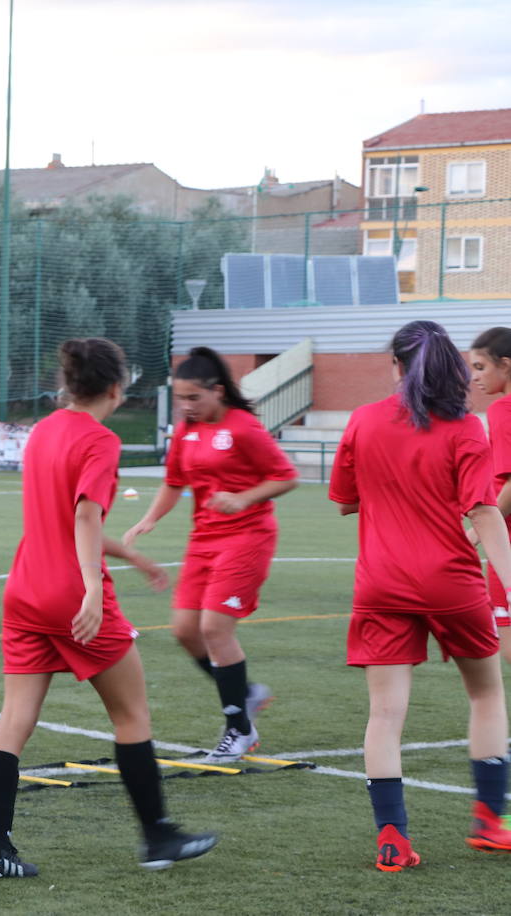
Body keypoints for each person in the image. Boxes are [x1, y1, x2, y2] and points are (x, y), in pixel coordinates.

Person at [0, 337, 218, 879]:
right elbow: (83, 516)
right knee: (131, 715)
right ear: (117, 387)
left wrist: (129, 552)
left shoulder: (43, 431)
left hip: (24, 589)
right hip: (70, 594)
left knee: (14, 719)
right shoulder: (101, 441)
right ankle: (158, 838)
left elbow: (60, 517)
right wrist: (89, 585)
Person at [330, 320, 511, 872]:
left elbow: (343, 500)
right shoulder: (465, 428)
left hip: (380, 584)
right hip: (450, 580)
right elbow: (482, 510)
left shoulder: (362, 421)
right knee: (485, 694)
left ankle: (392, 839)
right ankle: (488, 820)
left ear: (397, 367)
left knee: (385, 713)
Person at [123, 346, 297, 761]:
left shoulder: (245, 428)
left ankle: (239, 730)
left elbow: (285, 477)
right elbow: (174, 481)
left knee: (216, 629)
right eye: (181, 399)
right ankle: (248, 693)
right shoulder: (186, 429)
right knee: (185, 631)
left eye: (194, 398)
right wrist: (150, 519)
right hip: (203, 540)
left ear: (217, 391)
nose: (186, 406)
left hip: (247, 537)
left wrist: (244, 498)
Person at [467, 327, 511, 663]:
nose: (474, 377)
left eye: (480, 367)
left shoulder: (503, 409)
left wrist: (474, 534)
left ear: (505, 365)